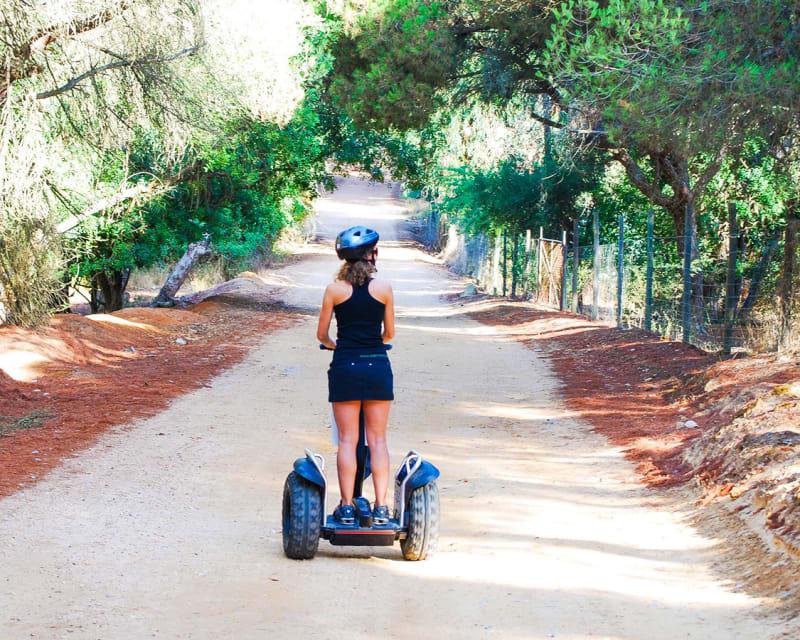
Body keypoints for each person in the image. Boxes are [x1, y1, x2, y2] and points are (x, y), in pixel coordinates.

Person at [316, 226, 395, 525]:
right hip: (377, 365)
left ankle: (347, 506)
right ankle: (381, 507)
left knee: (348, 440)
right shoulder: (384, 288)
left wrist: (333, 344)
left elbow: (322, 334)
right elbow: (390, 332)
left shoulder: (334, 290)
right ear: (372, 254)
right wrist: (377, 339)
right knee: (378, 440)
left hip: (345, 366)